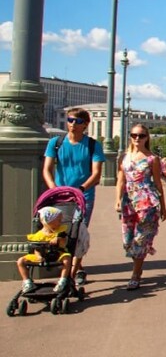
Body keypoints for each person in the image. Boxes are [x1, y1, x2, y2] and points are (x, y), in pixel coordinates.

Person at [43, 107, 105, 288]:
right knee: (61, 232)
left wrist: (81, 188)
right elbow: (47, 169)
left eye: (77, 122)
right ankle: (76, 269)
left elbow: (96, 174)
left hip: (83, 195)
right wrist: (53, 188)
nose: (72, 124)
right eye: (70, 120)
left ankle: (71, 274)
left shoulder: (93, 145)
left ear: (85, 124)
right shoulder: (56, 143)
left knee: (79, 232)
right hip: (60, 195)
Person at [115, 124, 166, 290]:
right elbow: (121, 180)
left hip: (147, 201)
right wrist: (117, 199)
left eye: (141, 135)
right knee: (128, 239)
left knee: (141, 238)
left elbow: (158, 184)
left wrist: (164, 206)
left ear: (147, 138)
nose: (137, 138)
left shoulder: (153, 158)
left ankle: (136, 274)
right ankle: (137, 266)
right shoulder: (124, 157)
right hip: (128, 201)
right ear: (130, 136)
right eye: (134, 135)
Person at [17, 207, 72, 294]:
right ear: (49, 221)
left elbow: (64, 242)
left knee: (67, 258)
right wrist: (38, 256)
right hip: (42, 256)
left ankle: (63, 280)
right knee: (21, 261)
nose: (61, 222)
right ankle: (27, 282)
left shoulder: (60, 231)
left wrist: (58, 239)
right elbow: (36, 249)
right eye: (58, 220)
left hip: (57, 254)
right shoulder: (39, 235)